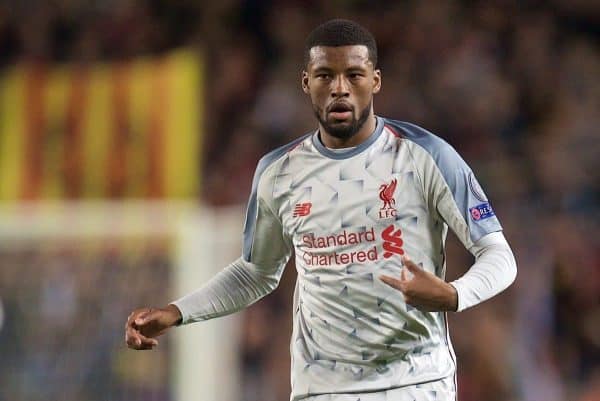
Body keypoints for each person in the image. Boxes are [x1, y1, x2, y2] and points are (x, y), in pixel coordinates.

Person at [125, 19, 517, 401]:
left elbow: (499, 255)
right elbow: (255, 273)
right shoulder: (279, 173)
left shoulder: (426, 156)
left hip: (415, 385)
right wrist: (177, 312)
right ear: (306, 82)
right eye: (325, 75)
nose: (340, 89)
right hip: (322, 389)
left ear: (375, 81)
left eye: (354, 75)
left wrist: (454, 294)